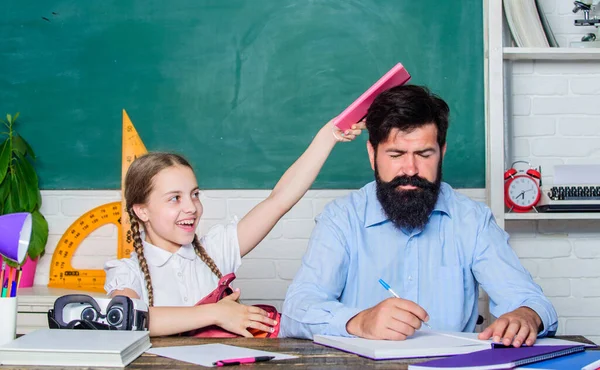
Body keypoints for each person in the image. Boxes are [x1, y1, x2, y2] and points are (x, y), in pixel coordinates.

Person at [280, 85, 558, 348]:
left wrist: (526, 315)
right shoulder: (341, 218)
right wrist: (359, 321)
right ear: (372, 153)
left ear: (441, 152)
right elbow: (298, 309)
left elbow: (531, 301)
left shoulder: (472, 220)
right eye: (396, 154)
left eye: (424, 154)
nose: (410, 169)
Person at [103, 120, 364, 337]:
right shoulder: (128, 272)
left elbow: (279, 200)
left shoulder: (216, 249)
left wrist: (328, 136)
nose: (191, 207)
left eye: (194, 194)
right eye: (175, 198)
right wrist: (216, 312)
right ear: (142, 211)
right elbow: (127, 318)